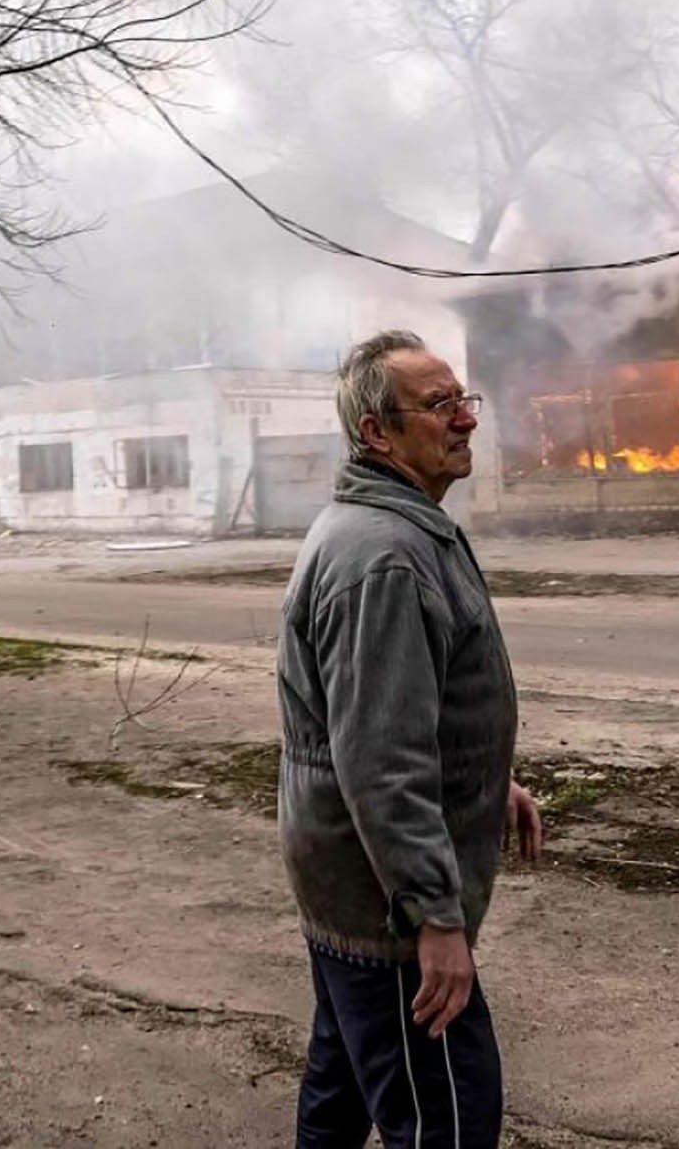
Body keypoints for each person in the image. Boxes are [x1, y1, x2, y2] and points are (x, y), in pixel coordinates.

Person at [275, 329, 543, 1148]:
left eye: (465, 400)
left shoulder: (399, 528)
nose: (465, 419)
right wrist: (435, 918)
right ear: (376, 432)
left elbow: (399, 712)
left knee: (343, 1089)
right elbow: (380, 759)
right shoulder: (383, 555)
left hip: (350, 884)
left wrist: (484, 777)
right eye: (439, 405)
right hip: (384, 906)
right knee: (451, 1118)